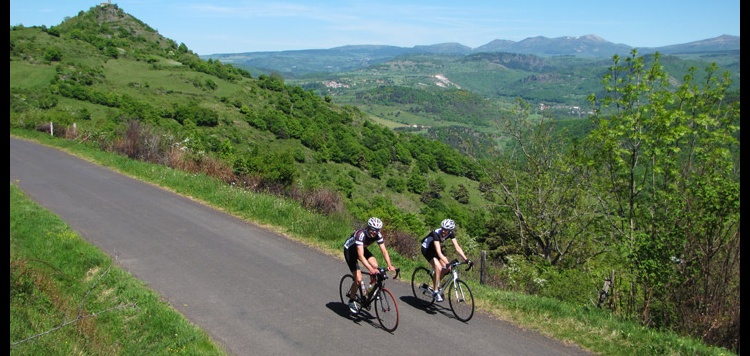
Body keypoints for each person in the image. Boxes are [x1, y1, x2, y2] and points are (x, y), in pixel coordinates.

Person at [343, 217, 396, 314]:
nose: (374, 232)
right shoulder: (360, 235)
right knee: (358, 279)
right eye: (373, 229)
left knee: (375, 265)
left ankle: (370, 290)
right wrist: (371, 269)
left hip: (361, 249)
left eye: (377, 230)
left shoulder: (377, 235)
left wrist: (389, 265)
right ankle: (351, 300)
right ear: (368, 227)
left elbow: (384, 251)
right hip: (350, 251)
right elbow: (361, 256)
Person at [420, 218, 470, 302]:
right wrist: (448, 262)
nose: (443, 231)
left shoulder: (450, 233)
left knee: (448, 269)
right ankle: (435, 292)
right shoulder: (435, 234)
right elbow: (439, 253)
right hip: (427, 249)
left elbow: (457, 247)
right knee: (438, 268)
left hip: (436, 249)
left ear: (450, 230)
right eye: (442, 228)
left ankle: (434, 284)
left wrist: (466, 259)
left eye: (446, 230)